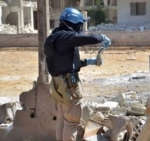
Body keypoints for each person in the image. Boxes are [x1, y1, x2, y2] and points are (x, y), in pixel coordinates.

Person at [44, 7, 111, 141]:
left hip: (59, 85)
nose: (81, 27)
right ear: (74, 23)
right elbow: (82, 37)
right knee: (71, 123)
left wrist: (89, 62)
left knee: (63, 121)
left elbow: (66, 65)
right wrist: (101, 37)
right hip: (70, 87)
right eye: (80, 24)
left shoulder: (54, 38)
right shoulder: (65, 37)